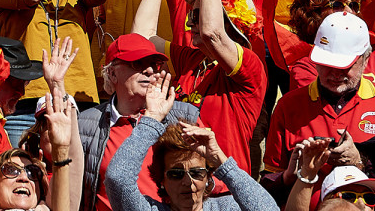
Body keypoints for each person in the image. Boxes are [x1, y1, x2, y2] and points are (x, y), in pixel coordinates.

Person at [134, 0, 267, 173]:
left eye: (197, 15)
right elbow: (140, 40)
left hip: (223, 193)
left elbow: (212, 33)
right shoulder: (193, 60)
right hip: (181, 187)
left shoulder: (250, 66)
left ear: (230, 22)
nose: (189, 23)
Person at [263, 12, 375, 185]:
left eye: (345, 65)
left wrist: (361, 160)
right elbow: (267, 185)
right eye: (327, 63)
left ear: (366, 59)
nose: (335, 73)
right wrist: (290, 176)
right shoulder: (288, 106)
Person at [105, 84, 278, 211]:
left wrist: (220, 160)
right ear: (162, 180)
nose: (188, 182)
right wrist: (151, 120)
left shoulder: (226, 207)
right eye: (176, 174)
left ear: (208, 177)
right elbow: (118, 178)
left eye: (197, 173)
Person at [78, 36, 199, 211]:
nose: (150, 70)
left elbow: (210, 179)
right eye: (138, 64)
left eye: (154, 65)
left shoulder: (184, 116)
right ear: (112, 73)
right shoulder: (85, 124)